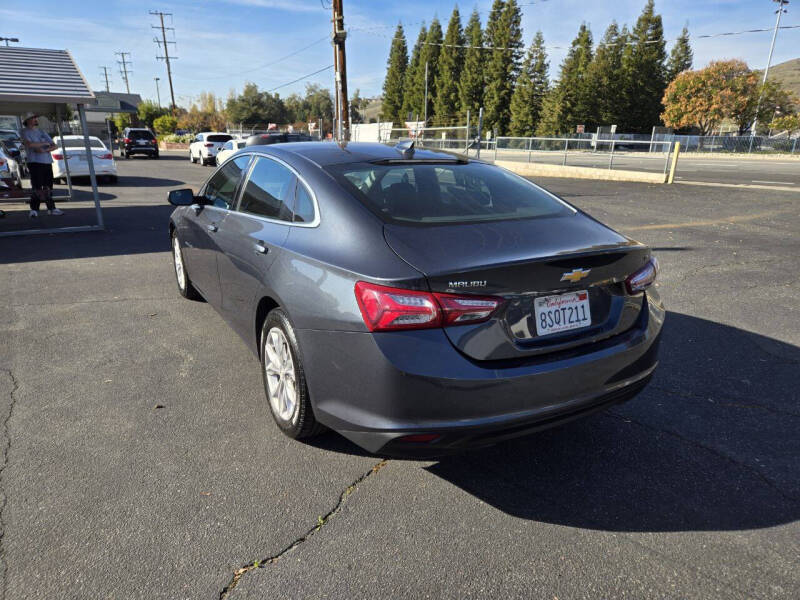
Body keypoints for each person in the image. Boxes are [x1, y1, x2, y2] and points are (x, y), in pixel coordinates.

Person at [20, 113, 63, 218]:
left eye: (35, 117)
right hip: (34, 162)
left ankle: (51, 208)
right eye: (33, 118)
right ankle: (34, 210)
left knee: (48, 186)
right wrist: (44, 144)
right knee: (37, 187)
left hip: (47, 162)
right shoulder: (24, 131)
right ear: (27, 120)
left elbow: (54, 145)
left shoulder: (41, 131)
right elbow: (29, 144)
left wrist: (45, 149)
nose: (35, 119)